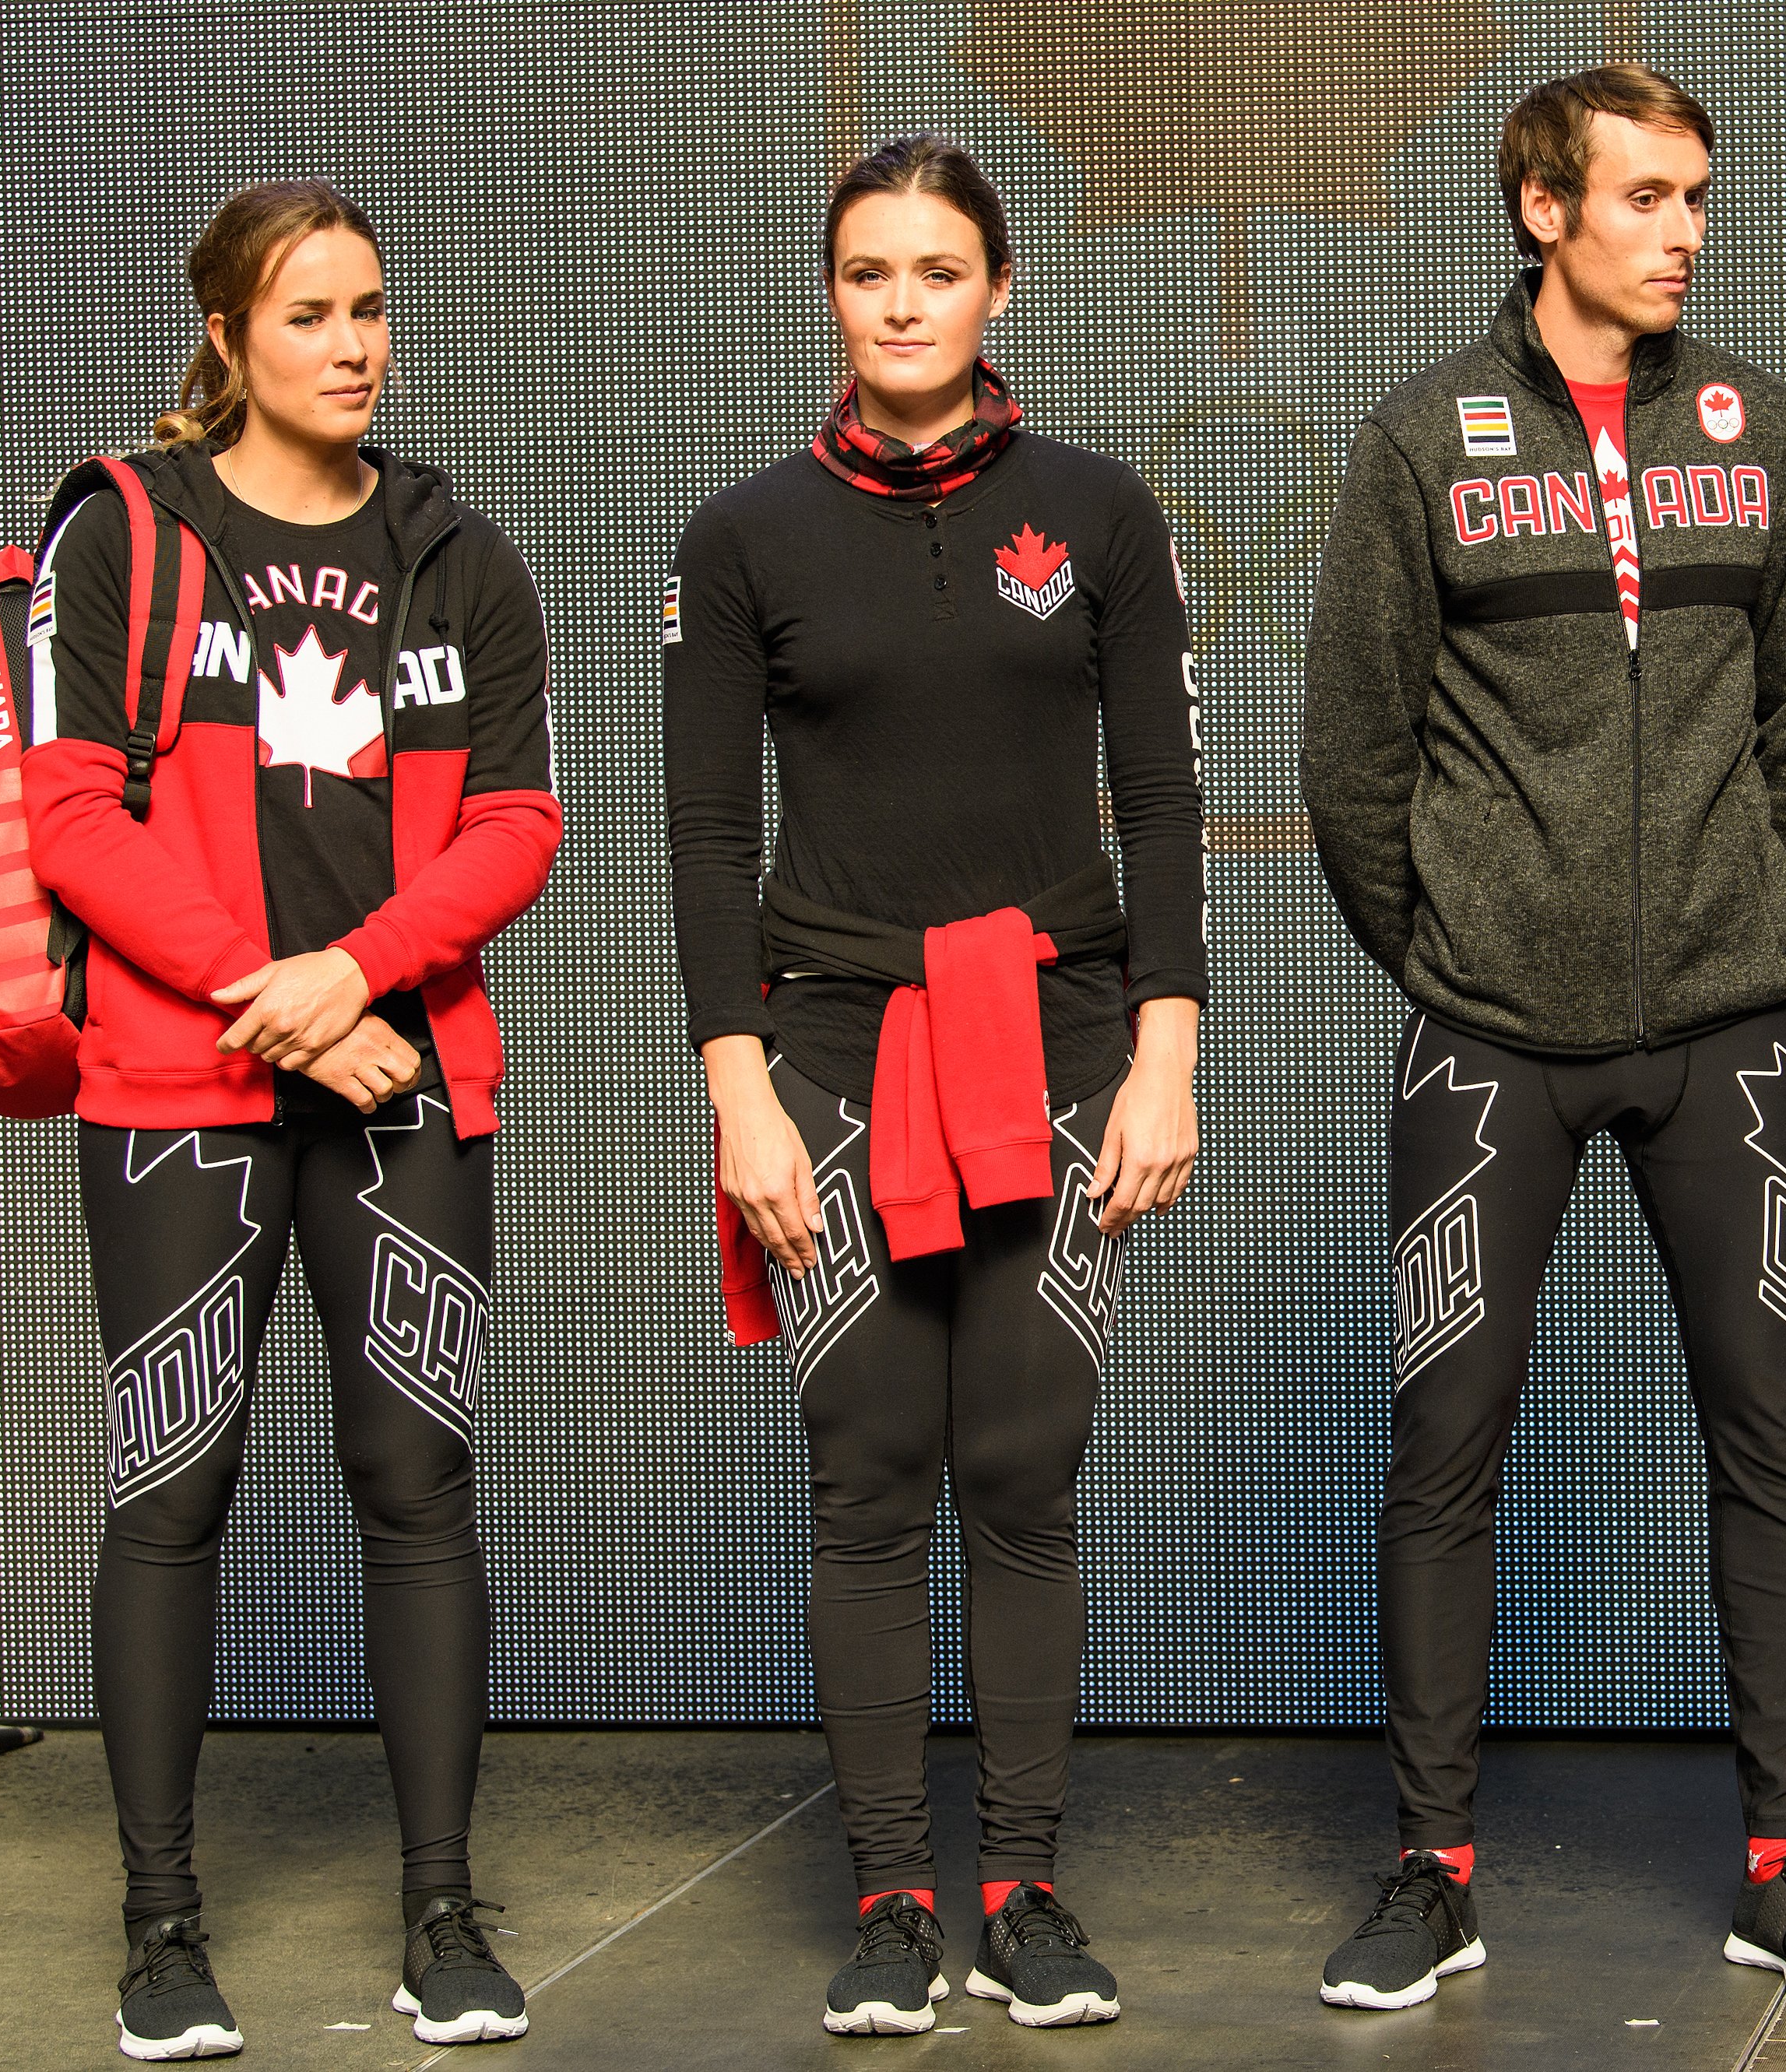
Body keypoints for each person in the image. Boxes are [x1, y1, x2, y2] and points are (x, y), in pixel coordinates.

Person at [1300, 66, 1786, 2011]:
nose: (1681, 228)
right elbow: (1352, 760)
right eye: (1642, 195)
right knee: (1441, 1448)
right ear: (1541, 207)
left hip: (1724, 1028)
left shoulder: (1763, 432)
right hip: (1490, 1038)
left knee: (1777, 1443)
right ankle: (1431, 1868)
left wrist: (1722, 905)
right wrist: (1471, 945)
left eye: (1696, 196)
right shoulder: (1419, 445)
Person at [663, 135, 1204, 2037]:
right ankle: (895, 1897)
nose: (900, 299)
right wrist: (736, 1090)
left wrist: (1165, 1050)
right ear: (833, 293)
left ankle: (1027, 1885)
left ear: (997, 293)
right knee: (869, 1477)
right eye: (866, 270)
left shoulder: (1099, 513)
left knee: (1020, 1475)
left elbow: (1158, 803)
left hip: (1059, 1043)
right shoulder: (739, 539)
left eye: (937, 268)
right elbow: (708, 835)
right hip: (825, 1052)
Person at [21, 180, 561, 2058]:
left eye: (372, 310)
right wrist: (285, 1001)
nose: (353, 345)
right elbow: (72, 818)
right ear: (231, 338)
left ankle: (440, 1908)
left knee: (417, 1489)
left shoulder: (455, 552)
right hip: (180, 1089)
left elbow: (517, 820)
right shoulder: (130, 536)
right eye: (312, 314)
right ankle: (161, 1931)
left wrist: (360, 977)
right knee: (170, 1491)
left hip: (402, 1079)